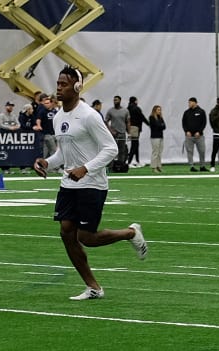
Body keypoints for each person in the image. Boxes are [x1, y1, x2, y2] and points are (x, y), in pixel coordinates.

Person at [33, 66, 147, 300]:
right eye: (58, 83)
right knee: (66, 232)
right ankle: (93, 287)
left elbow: (111, 149)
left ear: (77, 87)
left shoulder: (89, 116)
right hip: (69, 184)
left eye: (64, 84)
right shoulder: (58, 117)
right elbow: (63, 154)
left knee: (86, 237)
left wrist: (85, 169)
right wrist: (46, 163)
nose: (58, 88)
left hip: (92, 184)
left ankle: (130, 233)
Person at [182, 97, 209, 172]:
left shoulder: (201, 111)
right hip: (189, 136)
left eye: (190, 102)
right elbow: (184, 123)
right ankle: (191, 166)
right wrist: (186, 131)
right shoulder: (186, 112)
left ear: (195, 102)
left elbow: (204, 123)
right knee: (190, 151)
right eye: (189, 102)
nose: (189, 104)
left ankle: (202, 166)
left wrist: (199, 132)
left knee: (202, 151)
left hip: (199, 136)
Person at [0, 101, 20, 174]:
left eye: (12, 106)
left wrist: (16, 127)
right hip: (3, 137)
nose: (11, 107)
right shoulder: (2, 115)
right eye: (9, 106)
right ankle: (4, 168)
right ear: (6, 106)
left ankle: (8, 168)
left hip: (12, 138)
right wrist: (9, 128)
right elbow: (0, 124)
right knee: (3, 152)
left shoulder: (13, 116)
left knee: (10, 152)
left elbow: (18, 124)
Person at [104, 95, 130, 164]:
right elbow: (106, 121)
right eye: (114, 100)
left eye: (116, 100)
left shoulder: (125, 111)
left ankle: (120, 165)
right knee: (112, 150)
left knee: (122, 150)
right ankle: (111, 165)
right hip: (113, 134)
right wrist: (111, 130)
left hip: (122, 133)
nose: (115, 101)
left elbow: (128, 122)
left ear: (120, 101)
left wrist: (129, 133)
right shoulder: (110, 111)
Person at [127, 96, 149, 168]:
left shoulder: (128, 108)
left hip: (131, 128)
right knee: (134, 145)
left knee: (136, 145)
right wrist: (149, 124)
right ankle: (129, 162)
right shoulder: (136, 108)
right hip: (136, 128)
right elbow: (142, 117)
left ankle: (137, 161)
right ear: (135, 101)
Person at [149, 105, 166, 173]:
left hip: (160, 136)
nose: (160, 111)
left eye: (160, 110)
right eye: (158, 110)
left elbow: (164, 126)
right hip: (154, 137)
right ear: (155, 110)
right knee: (155, 152)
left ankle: (158, 166)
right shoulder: (151, 117)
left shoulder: (160, 117)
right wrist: (160, 125)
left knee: (159, 152)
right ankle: (153, 167)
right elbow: (156, 126)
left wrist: (160, 125)